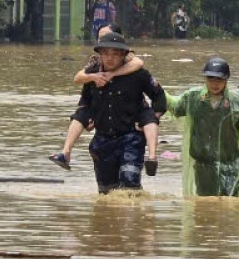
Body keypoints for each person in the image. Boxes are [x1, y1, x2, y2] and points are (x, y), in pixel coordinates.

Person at [51, 24, 160, 173]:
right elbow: (78, 78)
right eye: (104, 49)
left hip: (130, 128)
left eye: (115, 53)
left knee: (148, 118)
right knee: (81, 113)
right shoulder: (95, 64)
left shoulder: (132, 63)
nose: (110, 57)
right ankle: (66, 152)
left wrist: (112, 74)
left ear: (122, 50)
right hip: (103, 135)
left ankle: (152, 156)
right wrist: (93, 77)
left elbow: (140, 66)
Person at [68, 32, 167, 193]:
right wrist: (87, 119)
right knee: (106, 192)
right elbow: (85, 102)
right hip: (102, 141)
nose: (110, 58)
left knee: (129, 186)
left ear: (124, 55)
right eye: (105, 53)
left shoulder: (138, 75)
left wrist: (150, 119)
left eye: (115, 54)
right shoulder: (92, 76)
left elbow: (160, 98)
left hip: (131, 138)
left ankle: (136, 214)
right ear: (99, 55)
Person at [166, 57, 239, 197]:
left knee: (230, 206)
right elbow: (174, 106)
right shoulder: (193, 98)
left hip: (232, 164)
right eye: (211, 79)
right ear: (205, 79)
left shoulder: (237, 103)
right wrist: (154, 88)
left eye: (219, 80)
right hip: (204, 165)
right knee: (205, 207)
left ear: (226, 80)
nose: (214, 84)